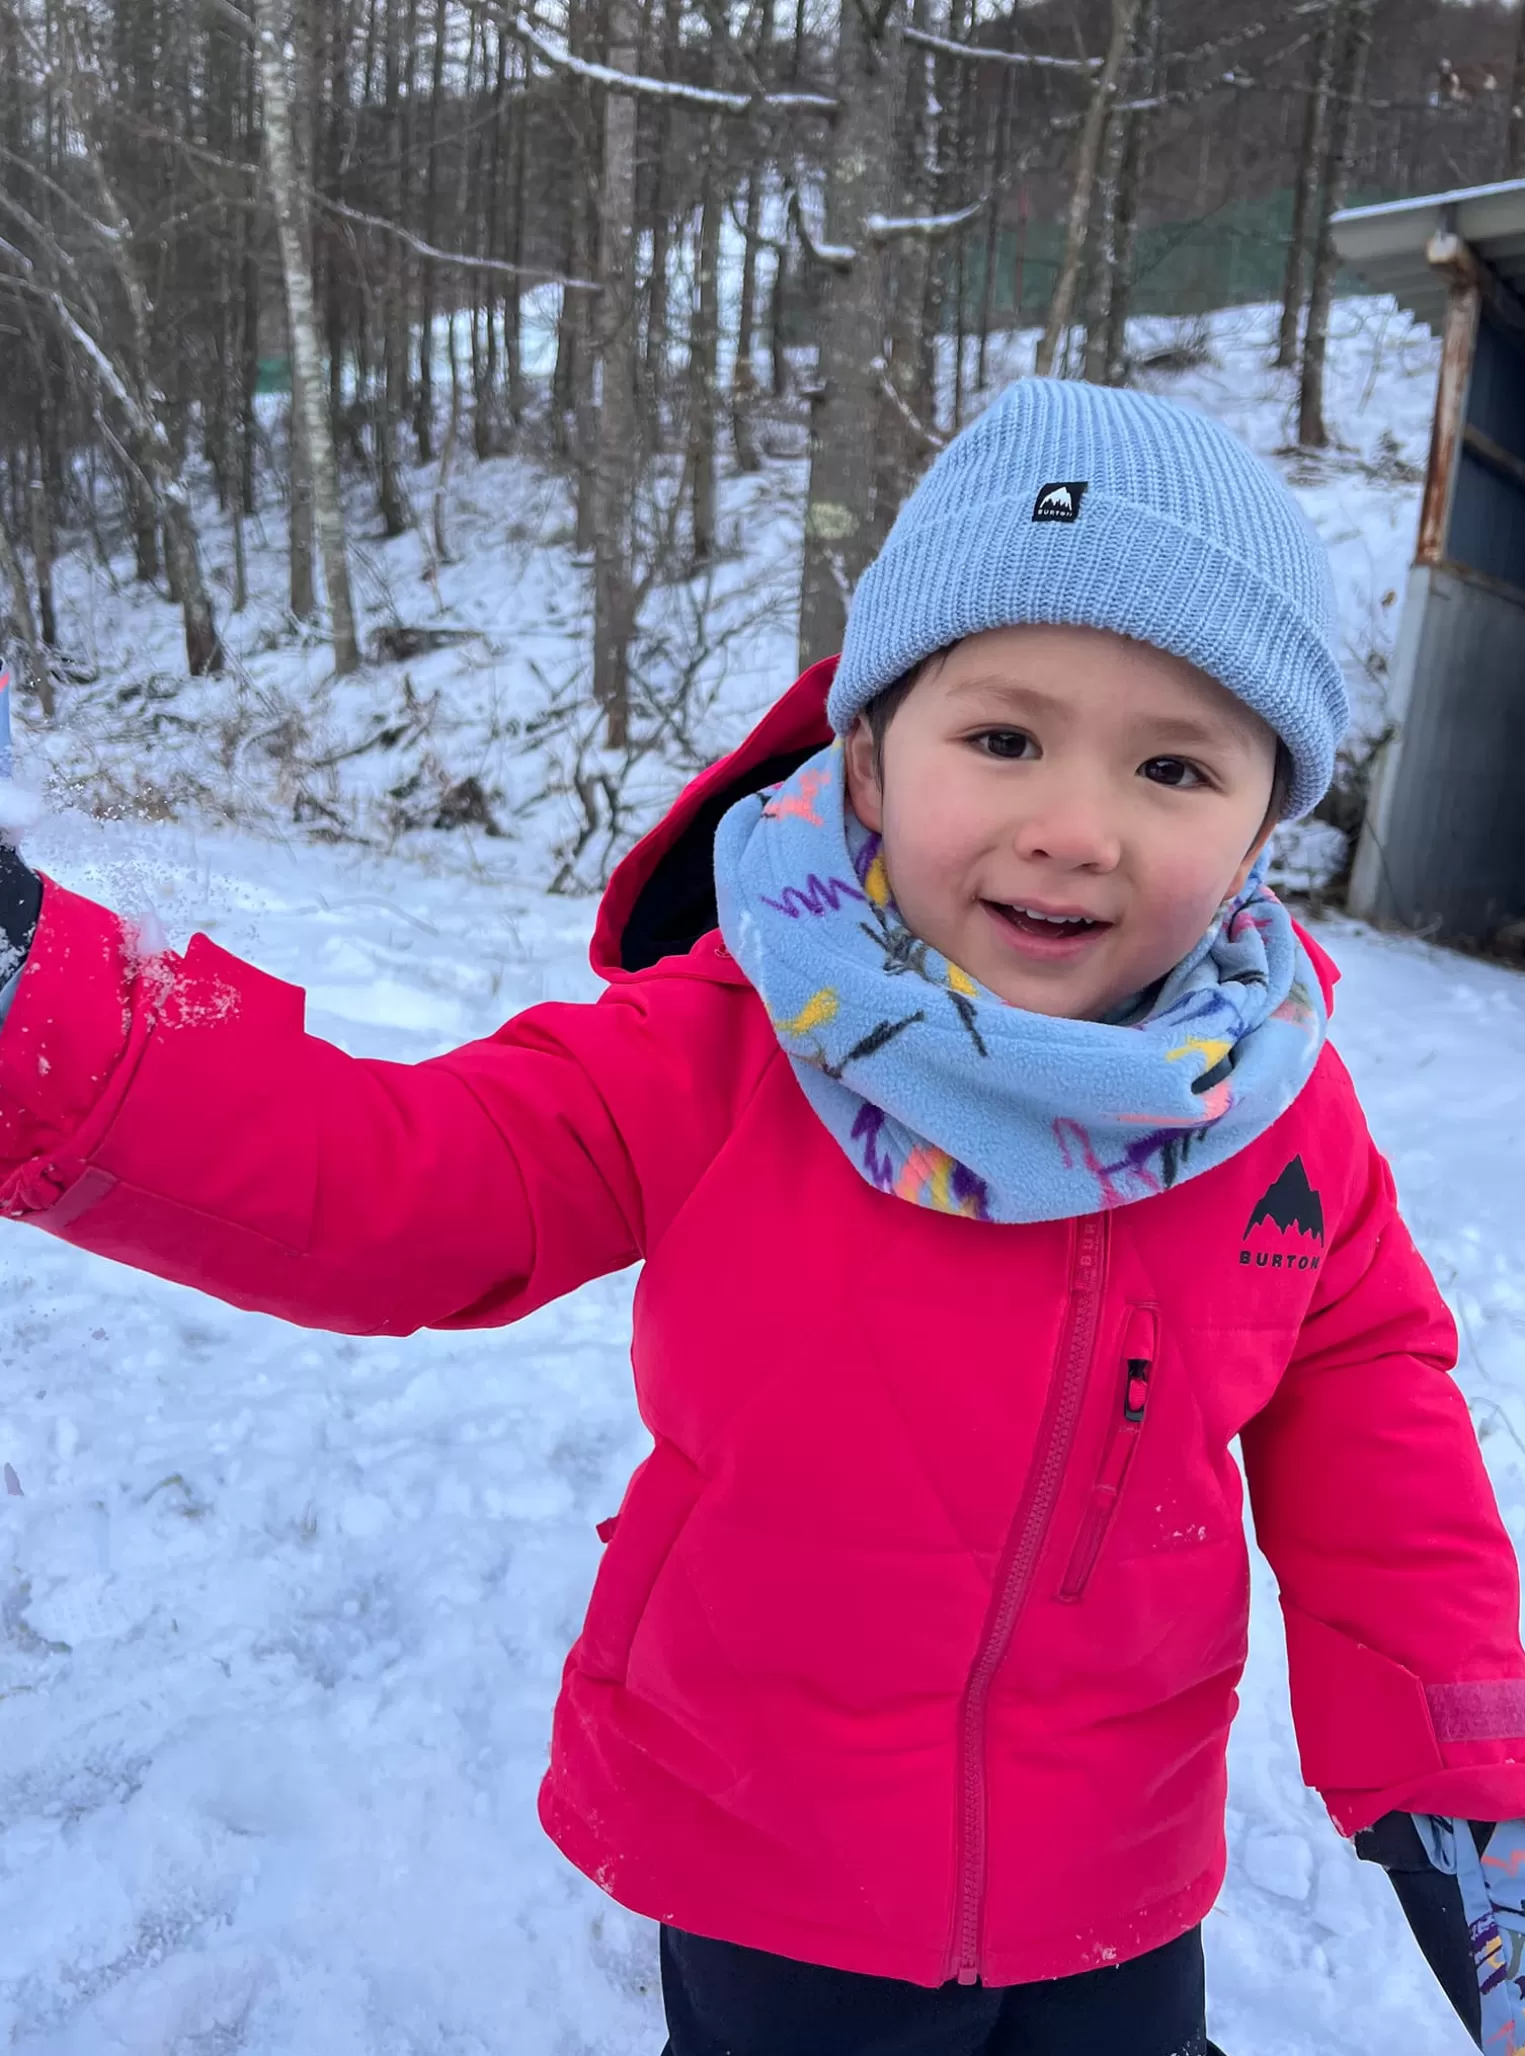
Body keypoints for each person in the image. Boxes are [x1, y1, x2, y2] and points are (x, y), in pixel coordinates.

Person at [0, 379, 1522, 2056]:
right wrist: (41, 1013)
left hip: (1120, 1874)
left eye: (1174, 766)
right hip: (778, 1869)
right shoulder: (735, 1045)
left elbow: (1377, 1426)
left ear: (1261, 828)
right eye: (1003, 737)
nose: (1075, 829)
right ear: (869, 752)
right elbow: (408, 1182)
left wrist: (1470, 1781)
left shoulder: (1271, 1110)